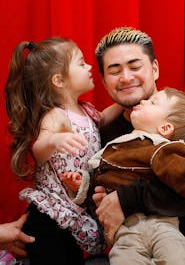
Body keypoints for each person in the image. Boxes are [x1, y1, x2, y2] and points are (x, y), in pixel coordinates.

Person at [92, 27, 185, 264]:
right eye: (114, 70)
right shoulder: (109, 133)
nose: (126, 77)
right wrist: (101, 196)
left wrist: (126, 198)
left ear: (155, 69)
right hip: (138, 250)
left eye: (135, 66)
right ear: (104, 80)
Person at [62, 87, 185, 264]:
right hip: (125, 232)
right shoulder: (113, 147)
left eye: (153, 102)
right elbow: (101, 179)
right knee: (122, 259)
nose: (143, 101)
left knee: (175, 256)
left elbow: (183, 170)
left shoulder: (161, 148)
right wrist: (82, 185)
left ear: (165, 128)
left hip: (161, 225)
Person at [4, 37, 122, 265]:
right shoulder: (55, 115)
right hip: (50, 214)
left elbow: (103, 119)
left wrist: (125, 102)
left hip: (75, 210)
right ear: (59, 80)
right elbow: (39, 148)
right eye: (81, 63)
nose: (89, 67)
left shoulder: (86, 110)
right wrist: (55, 140)